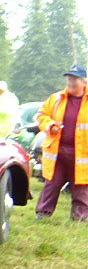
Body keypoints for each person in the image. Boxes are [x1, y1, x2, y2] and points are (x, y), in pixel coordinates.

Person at [35, 64, 88, 221]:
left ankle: (80, 218)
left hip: (82, 153)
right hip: (57, 151)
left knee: (81, 186)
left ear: (84, 82)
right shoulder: (56, 99)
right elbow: (41, 115)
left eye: (75, 80)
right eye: (69, 79)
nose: (71, 83)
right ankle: (42, 214)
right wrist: (50, 126)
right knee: (52, 183)